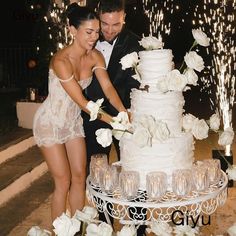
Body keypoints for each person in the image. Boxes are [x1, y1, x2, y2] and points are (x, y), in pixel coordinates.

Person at [32, 3, 126, 228]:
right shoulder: (61, 61)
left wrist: (123, 112)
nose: (94, 37)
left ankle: (76, 229)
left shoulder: (95, 57)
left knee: (79, 176)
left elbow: (108, 89)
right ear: (72, 30)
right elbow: (84, 103)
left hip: (72, 123)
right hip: (51, 123)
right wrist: (114, 122)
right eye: (88, 32)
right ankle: (59, 232)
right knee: (62, 181)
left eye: (96, 31)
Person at [83, 0, 142, 166]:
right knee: (95, 168)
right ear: (98, 16)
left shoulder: (135, 44)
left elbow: (135, 85)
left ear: (124, 17)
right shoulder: (88, 39)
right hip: (92, 115)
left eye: (116, 24)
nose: (109, 30)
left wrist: (127, 113)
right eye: (105, 23)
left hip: (124, 114)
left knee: (131, 166)